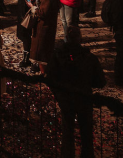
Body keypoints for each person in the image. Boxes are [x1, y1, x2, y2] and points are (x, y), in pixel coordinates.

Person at [47, 25, 105, 158]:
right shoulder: (89, 58)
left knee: (68, 131)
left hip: (66, 99)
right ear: (80, 38)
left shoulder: (58, 56)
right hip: (84, 98)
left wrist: (59, 94)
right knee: (86, 132)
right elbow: (100, 82)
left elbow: (50, 78)